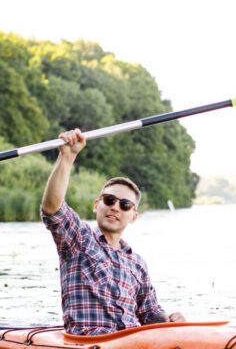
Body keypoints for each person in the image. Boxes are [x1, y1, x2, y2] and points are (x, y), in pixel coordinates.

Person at [41, 129, 185, 335]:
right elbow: (53, 208)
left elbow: (149, 312)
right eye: (109, 200)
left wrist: (168, 318)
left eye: (125, 205)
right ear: (96, 205)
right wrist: (67, 156)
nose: (115, 207)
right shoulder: (78, 239)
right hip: (90, 342)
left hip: (132, 341)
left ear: (133, 216)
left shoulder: (137, 264)